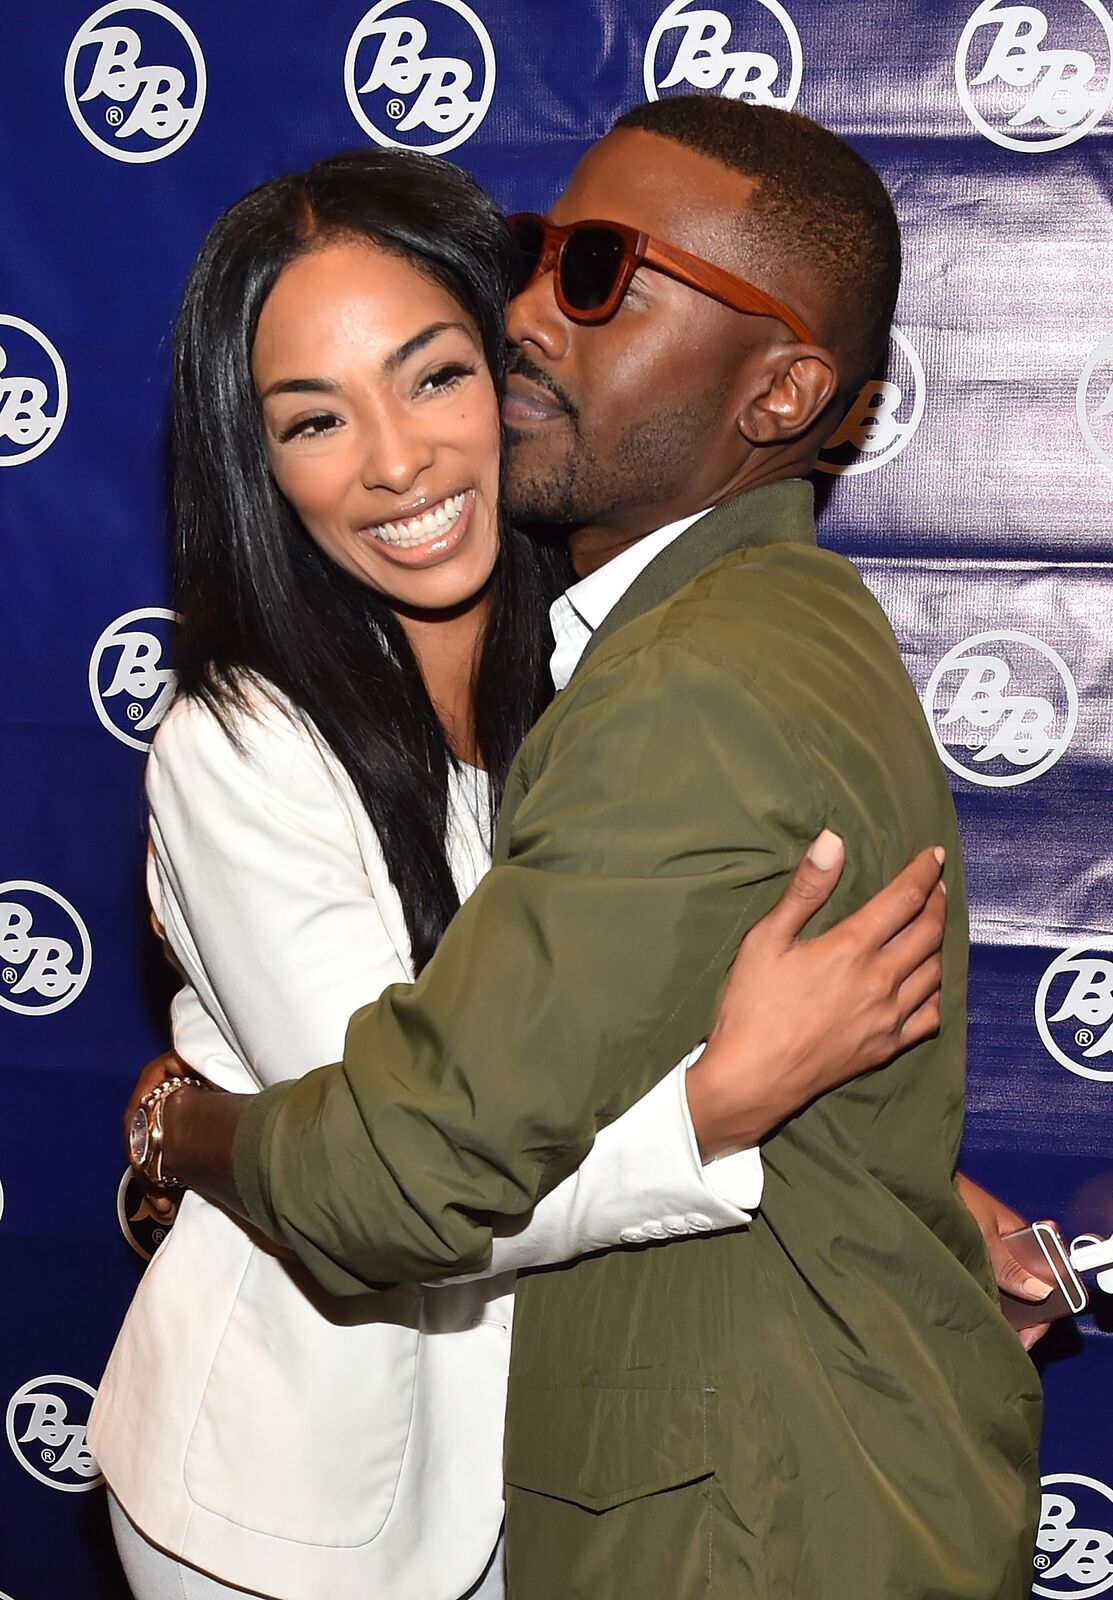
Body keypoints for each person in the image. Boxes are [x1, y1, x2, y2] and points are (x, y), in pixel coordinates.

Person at [126, 99, 1047, 1597]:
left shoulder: (624, 676)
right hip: (306, 1504)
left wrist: (193, 1128)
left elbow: (441, 1132)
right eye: (310, 418)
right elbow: (411, 1181)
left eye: (434, 370)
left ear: (784, 390)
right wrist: (723, 1104)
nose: (397, 454)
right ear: (261, 467)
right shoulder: (246, 741)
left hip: (588, 1476)